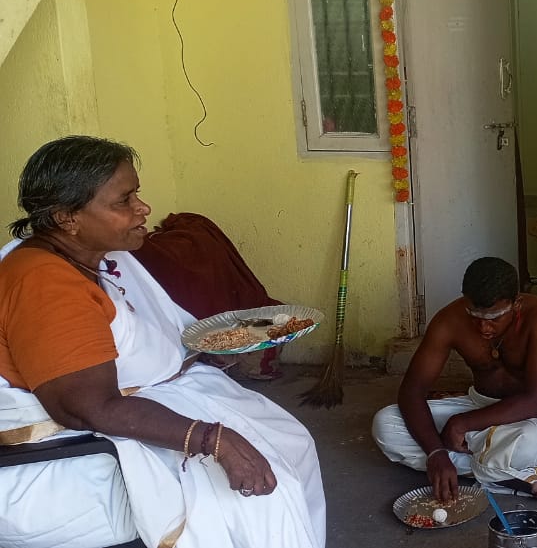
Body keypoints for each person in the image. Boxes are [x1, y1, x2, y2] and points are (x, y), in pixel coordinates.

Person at [0, 136, 325, 547]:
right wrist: (212, 439)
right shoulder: (44, 284)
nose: (143, 208)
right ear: (67, 217)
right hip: (62, 455)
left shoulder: (94, 257)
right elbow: (86, 408)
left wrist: (208, 349)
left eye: (136, 194)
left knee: (290, 442)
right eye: (124, 201)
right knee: (254, 494)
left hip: (126, 409)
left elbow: (144, 341)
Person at [372, 257, 537, 500]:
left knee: (532, 442)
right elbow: (411, 391)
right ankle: (497, 469)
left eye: (494, 318)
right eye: (475, 315)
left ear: (516, 303)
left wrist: (461, 424)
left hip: (532, 416)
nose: (484, 327)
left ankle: (479, 462)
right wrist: (435, 453)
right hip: (479, 404)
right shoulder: (449, 320)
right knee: (385, 424)